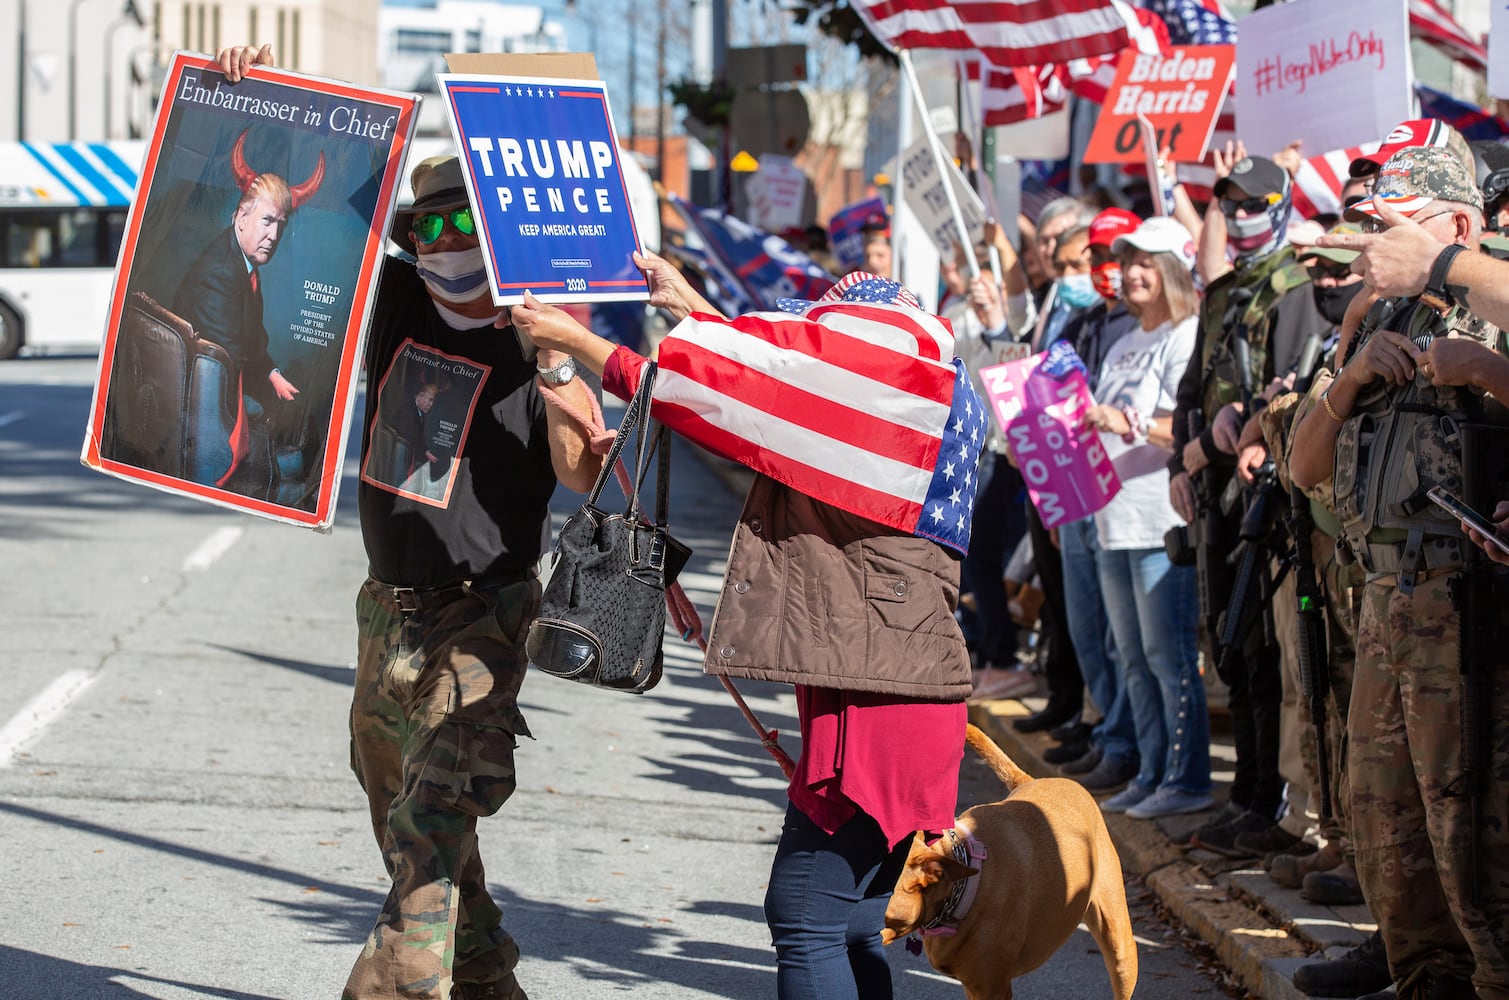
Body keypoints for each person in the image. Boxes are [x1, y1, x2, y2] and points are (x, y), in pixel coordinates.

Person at [215, 44, 604, 1000]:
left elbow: (579, 469)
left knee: (430, 831)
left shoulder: (546, 327)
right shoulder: (390, 298)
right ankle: (484, 982)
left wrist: (555, 360)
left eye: (464, 219)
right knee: (408, 821)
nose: (443, 237)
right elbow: (315, 196)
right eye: (427, 222)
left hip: (484, 618)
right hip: (385, 613)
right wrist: (256, 92)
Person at [512, 263, 981, 1000]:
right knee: (852, 923)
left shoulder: (892, 399)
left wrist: (571, 339)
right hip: (893, 685)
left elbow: (738, 392)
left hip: (881, 699)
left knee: (803, 911)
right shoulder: (922, 393)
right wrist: (695, 305)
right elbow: (778, 383)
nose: (812, 357)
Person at [1290, 146, 1509, 1000]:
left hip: (1464, 605)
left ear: (1456, 228)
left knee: (1468, 827)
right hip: (1381, 597)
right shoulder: (1383, 317)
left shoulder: (1489, 304)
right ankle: (1421, 972)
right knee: (1385, 816)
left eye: (1390, 225)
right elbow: (1301, 469)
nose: (1368, 245)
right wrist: (1346, 377)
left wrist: (1488, 371)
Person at [1167, 154, 1330, 857]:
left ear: (1281, 201)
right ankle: (1246, 797)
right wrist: (1185, 456)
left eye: (1250, 201)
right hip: (1212, 489)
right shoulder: (1223, 289)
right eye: (1226, 203)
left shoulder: (1293, 285)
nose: (1237, 214)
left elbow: (1284, 392)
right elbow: (1190, 387)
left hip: (1261, 491)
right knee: (1225, 643)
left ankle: (1263, 799)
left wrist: (1219, 442)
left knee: (1258, 648)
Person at [1071, 217, 1211, 819]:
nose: (1130, 272)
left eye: (1145, 261)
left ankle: (1187, 778)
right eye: (1127, 261)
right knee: (1133, 657)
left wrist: (1120, 422)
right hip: (1111, 519)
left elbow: (1180, 427)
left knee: (1168, 656)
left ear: (1175, 269)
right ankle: (1153, 771)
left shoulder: (1186, 334)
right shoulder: (1126, 341)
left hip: (1160, 520)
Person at [1038, 207, 1141, 764]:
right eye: (1097, 257)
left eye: (1112, 257)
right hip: (1075, 492)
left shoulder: (1143, 326)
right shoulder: (1079, 327)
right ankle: (1105, 727)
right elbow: (1045, 407)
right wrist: (1053, 499)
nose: (1104, 268)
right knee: (1086, 625)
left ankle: (1122, 739)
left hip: (1120, 496)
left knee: (1121, 633)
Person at [172, 128, 316, 491]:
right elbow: (231, 357)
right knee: (305, 421)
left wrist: (273, 375)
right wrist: (265, 386)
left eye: (280, 226)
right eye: (267, 221)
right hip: (213, 397)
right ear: (241, 218)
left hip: (227, 379)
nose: (274, 235)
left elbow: (253, 345)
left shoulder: (242, 266)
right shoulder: (221, 273)